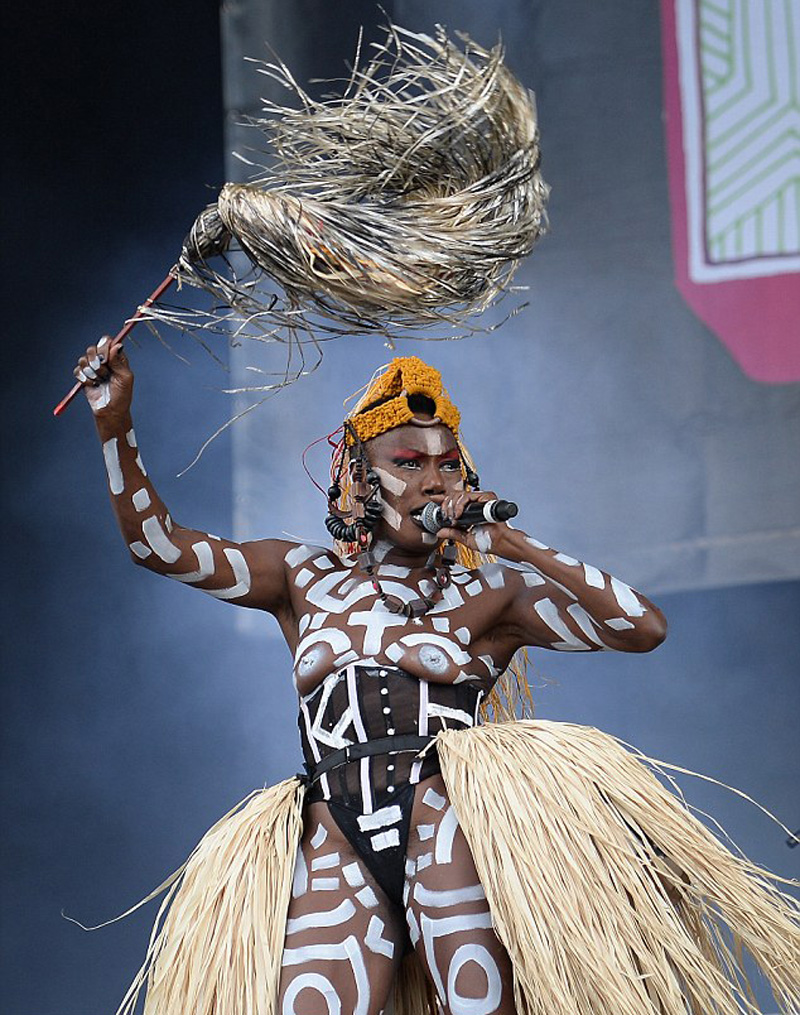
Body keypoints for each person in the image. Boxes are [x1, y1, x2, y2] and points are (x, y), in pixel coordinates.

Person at [73, 344, 798, 1015]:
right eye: (410, 462)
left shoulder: (492, 598)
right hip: (335, 826)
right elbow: (156, 545)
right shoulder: (300, 576)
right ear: (359, 477)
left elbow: (642, 626)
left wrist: (511, 542)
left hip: (444, 821)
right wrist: (116, 424)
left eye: (446, 464)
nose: (432, 479)